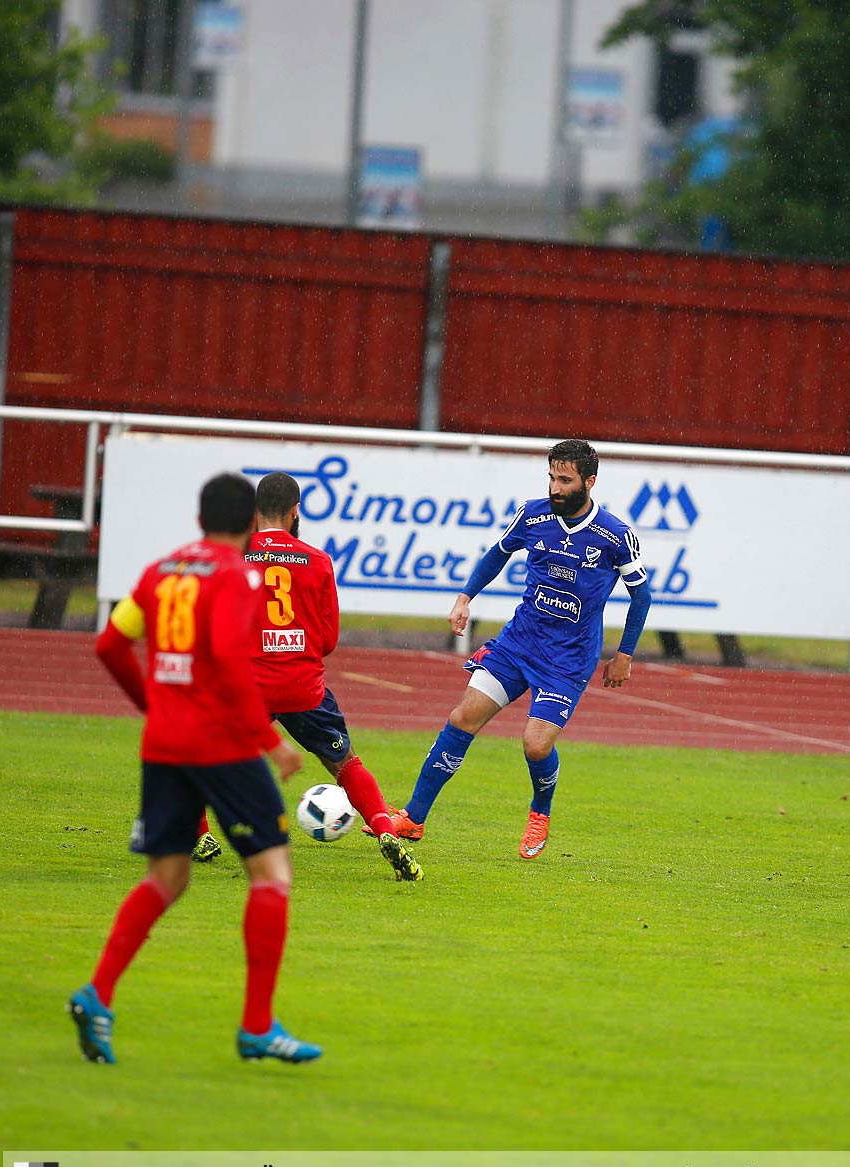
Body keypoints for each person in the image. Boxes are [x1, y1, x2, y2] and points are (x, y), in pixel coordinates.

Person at [70, 473, 320, 1065]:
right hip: (222, 744)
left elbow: (109, 645)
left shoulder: (161, 572)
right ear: (247, 524)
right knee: (271, 876)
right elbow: (232, 663)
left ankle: (97, 993)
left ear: (200, 517)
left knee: (167, 878)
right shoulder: (238, 575)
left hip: (163, 745)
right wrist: (270, 741)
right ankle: (257, 1026)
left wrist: (152, 703)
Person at [378, 438, 652, 859]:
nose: (555, 488)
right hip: (518, 643)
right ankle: (413, 818)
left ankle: (540, 810)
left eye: (565, 480)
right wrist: (465, 597)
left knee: (535, 745)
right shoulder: (533, 514)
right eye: (551, 477)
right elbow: (497, 554)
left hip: (567, 660)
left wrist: (625, 654)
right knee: (463, 715)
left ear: (589, 482)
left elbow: (641, 596)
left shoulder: (615, 535)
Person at [244, 471, 421, 882]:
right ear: (295, 512)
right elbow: (326, 641)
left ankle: (199, 837)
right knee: (344, 763)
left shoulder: (233, 556)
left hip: (250, 685)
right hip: (304, 688)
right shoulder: (318, 561)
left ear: (255, 513)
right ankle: (383, 830)